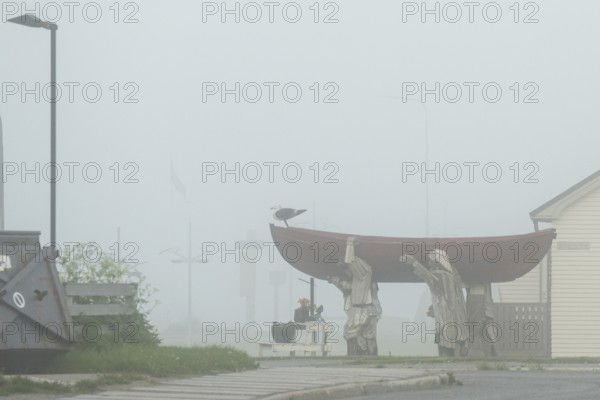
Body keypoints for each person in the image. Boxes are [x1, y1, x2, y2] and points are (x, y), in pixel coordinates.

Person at [405, 249, 468, 357]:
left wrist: (414, 263)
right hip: (453, 317)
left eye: (431, 261)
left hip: (446, 318)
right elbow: (443, 294)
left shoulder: (441, 274)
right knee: (451, 342)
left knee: (444, 345)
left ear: (438, 262)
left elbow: (429, 278)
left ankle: (446, 364)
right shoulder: (453, 273)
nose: (429, 263)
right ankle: (461, 349)